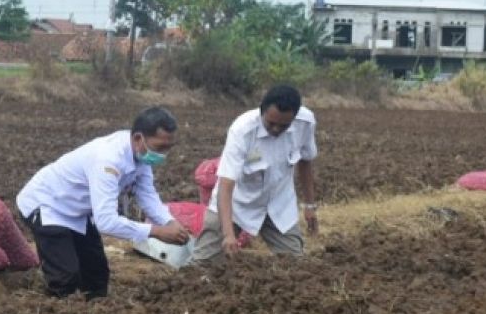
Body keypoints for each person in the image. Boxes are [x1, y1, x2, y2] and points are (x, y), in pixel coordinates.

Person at [16, 107, 190, 299]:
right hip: (48, 205)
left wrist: (169, 222)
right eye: (160, 148)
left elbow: (147, 195)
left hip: (79, 211)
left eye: (168, 148)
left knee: (96, 277)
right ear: (138, 139)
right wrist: (156, 231)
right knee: (65, 278)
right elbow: (106, 221)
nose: (163, 155)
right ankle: (55, 313)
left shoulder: (141, 157)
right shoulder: (108, 159)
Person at [191, 84, 318, 264]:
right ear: (261, 111)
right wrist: (228, 235)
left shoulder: (305, 123)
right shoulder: (242, 129)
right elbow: (226, 186)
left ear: (294, 117)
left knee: (294, 264)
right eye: (270, 123)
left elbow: (306, 161)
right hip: (237, 203)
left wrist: (310, 205)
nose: (275, 129)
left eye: (283, 126)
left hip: (278, 204)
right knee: (203, 263)